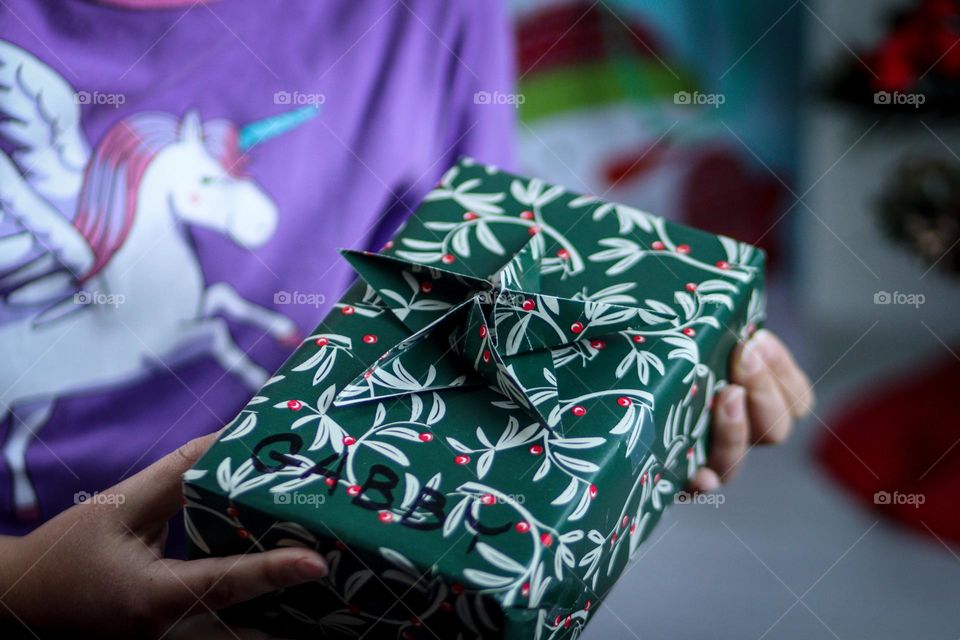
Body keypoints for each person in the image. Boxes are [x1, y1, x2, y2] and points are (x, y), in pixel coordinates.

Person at [0, 1, 814, 637]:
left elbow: (477, 268)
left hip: (340, 571)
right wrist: (21, 587)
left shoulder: (433, 9)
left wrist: (653, 405)